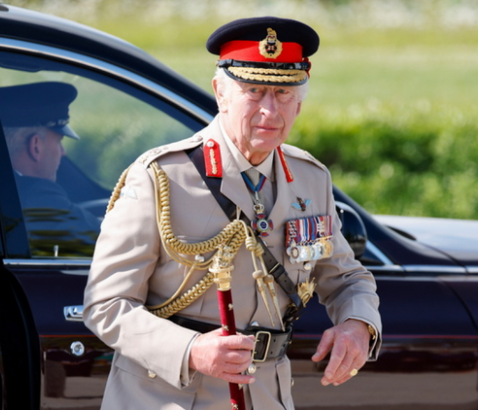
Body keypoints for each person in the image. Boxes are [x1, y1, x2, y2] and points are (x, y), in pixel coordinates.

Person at [83, 17, 382, 410]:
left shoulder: (310, 178)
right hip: (169, 398)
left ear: (299, 102)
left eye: (284, 93)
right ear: (220, 93)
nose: (270, 110)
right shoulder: (161, 177)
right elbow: (106, 305)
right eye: (254, 91)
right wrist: (191, 349)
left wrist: (358, 325)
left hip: (268, 396)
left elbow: (346, 278)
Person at [0, 82, 100, 257]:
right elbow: (113, 243)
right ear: (36, 146)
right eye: (59, 142)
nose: (63, 152)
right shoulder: (35, 197)